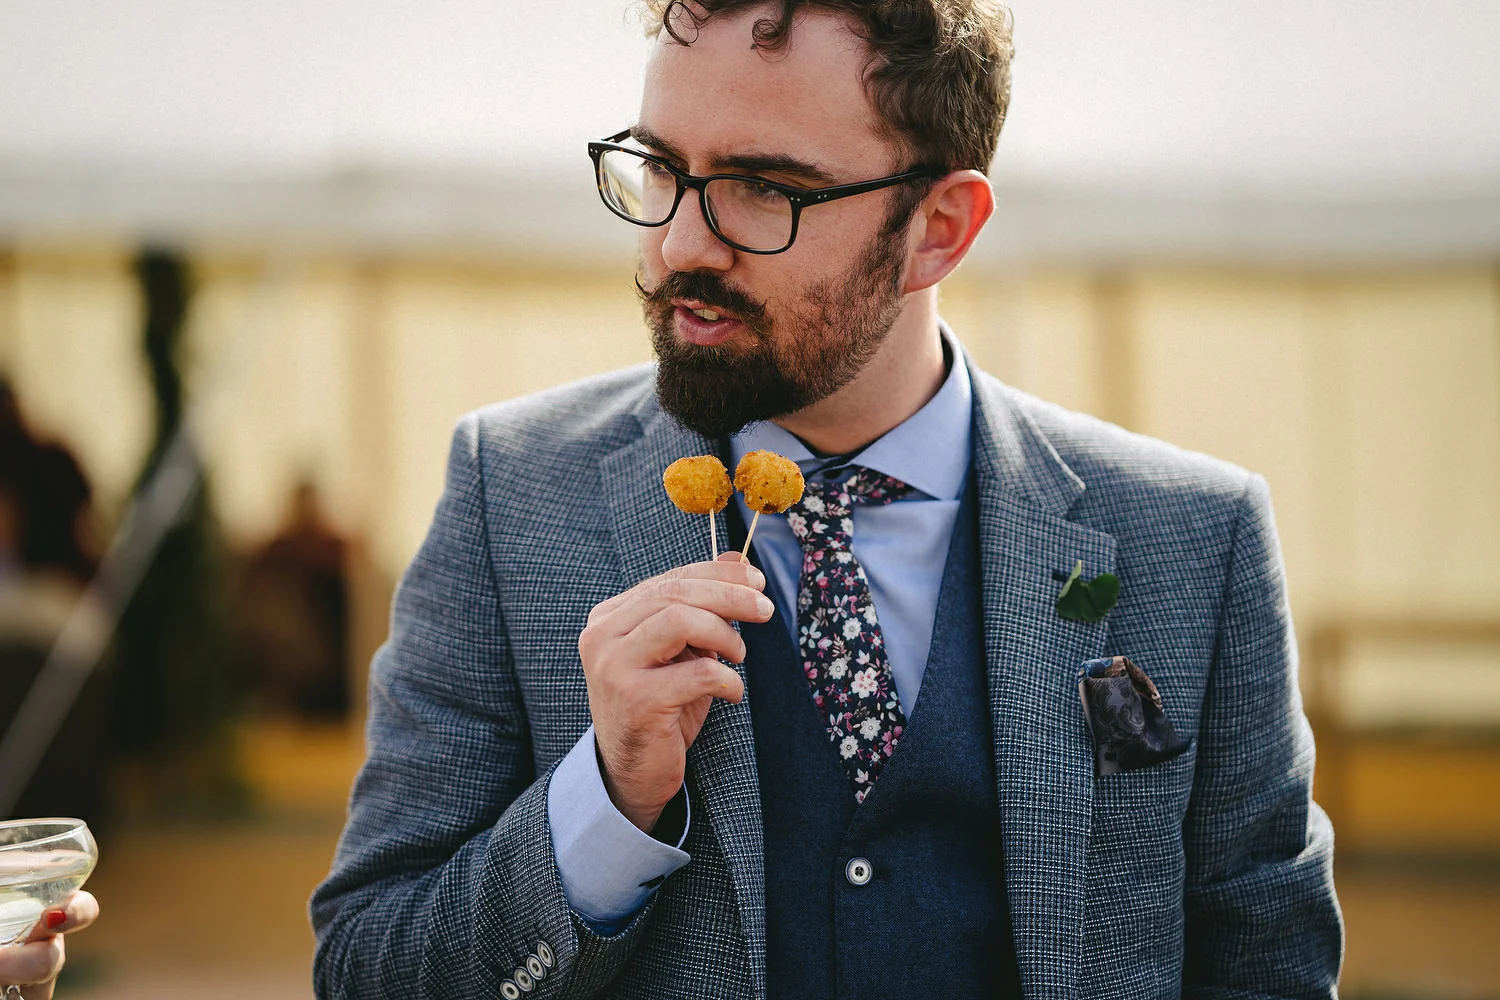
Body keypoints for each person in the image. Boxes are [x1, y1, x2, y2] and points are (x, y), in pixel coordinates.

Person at [311, 2, 1341, 997]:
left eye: (763, 186)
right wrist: (606, 806)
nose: (679, 246)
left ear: (939, 227)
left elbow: (1268, 969)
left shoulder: (1193, 541)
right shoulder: (512, 496)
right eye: (663, 169)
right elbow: (367, 968)